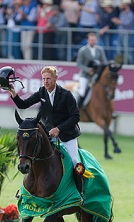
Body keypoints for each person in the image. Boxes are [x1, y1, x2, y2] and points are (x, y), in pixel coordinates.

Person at [7, 66, 84, 197]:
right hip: (49, 134)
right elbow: (23, 105)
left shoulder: (66, 95)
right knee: (34, 156)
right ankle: (27, 190)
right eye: (43, 79)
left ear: (55, 79)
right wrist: (14, 93)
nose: (46, 81)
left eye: (48, 78)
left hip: (67, 135)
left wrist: (59, 128)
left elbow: (76, 117)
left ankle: (79, 194)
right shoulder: (42, 92)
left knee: (74, 162)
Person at [76, 32, 108, 109]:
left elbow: (104, 62)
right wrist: (88, 70)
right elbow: (79, 64)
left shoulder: (100, 50)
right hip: (85, 75)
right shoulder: (83, 50)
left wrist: (99, 70)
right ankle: (77, 109)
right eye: (91, 40)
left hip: (96, 75)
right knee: (82, 92)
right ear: (88, 40)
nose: (93, 41)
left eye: (94, 40)